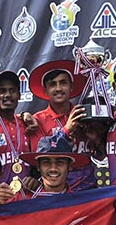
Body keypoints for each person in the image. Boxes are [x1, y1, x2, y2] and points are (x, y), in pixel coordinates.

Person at [25, 59, 94, 190]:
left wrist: (96, 140)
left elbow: (100, 156)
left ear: (71, 87)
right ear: (45, 91)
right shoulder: (38, 120)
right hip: (57, 192)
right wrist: (67, 130)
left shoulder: (84, 114)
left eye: (63, 83)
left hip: (88, 190)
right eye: (52, 84)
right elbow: (42, 156)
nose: (58, 89)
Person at [0, 70, 32, 186]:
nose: (7, 95)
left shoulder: (28, 124)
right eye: (2, 91)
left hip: (26, 194)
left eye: (12, 90)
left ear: (19, 95)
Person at [19, 131, 91, 197]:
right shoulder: (23, 200)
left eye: (60, 162)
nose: (53, 168)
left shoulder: (79, 203)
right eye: (46, 162)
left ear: (69, 165)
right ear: (38, 166)